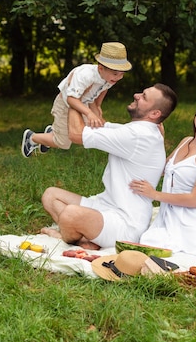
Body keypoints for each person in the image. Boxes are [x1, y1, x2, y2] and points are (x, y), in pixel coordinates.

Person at [40, 84, 178, 250]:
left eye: (144, 97)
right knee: (50, 196)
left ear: (155, 113)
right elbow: (97, 126)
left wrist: (74, 98)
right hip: (104, 205)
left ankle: (73, 238)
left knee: (70, 214)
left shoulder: (137, 136)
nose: (136, 95)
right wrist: (93, 101)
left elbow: (76, 134)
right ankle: (85, 239)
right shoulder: (137, 130)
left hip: (125, 223)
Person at [129, 96, 196, 260]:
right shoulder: (186, 141)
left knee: (175, 248)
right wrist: (159, 140)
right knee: (148, 239)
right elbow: (163, 169)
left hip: (193, 216)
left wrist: (154, 194)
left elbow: (194, 199)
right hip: (169, 213)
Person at [21, 42, 132, 158]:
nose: (119, 77)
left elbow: (103, 89)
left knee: (84, 132)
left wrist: (97, 107)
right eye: (116, 74)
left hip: (84, 103)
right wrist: (89, 113)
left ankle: (53, 133)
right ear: (101, 68)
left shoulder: (109, 77)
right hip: (66, 104)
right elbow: (71, 99)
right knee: (63, 143)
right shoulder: (85, 75)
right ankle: (32, 138)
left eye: (122, 74)